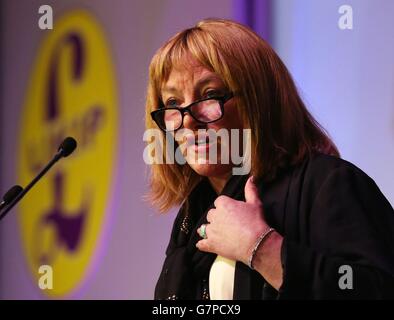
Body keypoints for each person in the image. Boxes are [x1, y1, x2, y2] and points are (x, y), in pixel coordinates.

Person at [145, 18, 394, 299]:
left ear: (259, 99)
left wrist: (262, 249)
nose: (188, 121)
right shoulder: (191, 219)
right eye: (173, 104)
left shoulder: (328, 184)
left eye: (210, 95)